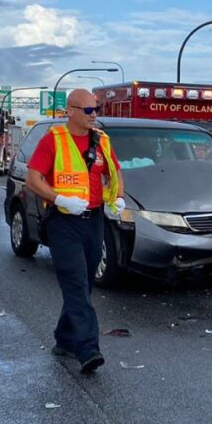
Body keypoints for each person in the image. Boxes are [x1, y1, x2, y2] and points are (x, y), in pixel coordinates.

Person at [26, 89, 125, 374]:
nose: (95, 115)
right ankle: (88, 349)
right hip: (63, 222)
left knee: (85, 284)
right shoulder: (53, 141)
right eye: (89, 110)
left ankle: (65, 338)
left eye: (97, 109)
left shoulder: (102, 140)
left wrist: (117, 197)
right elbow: (33, 178)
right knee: (76, 285)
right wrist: (59, 198)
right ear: (70, 111)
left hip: (93, 220)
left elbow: (115, 172)